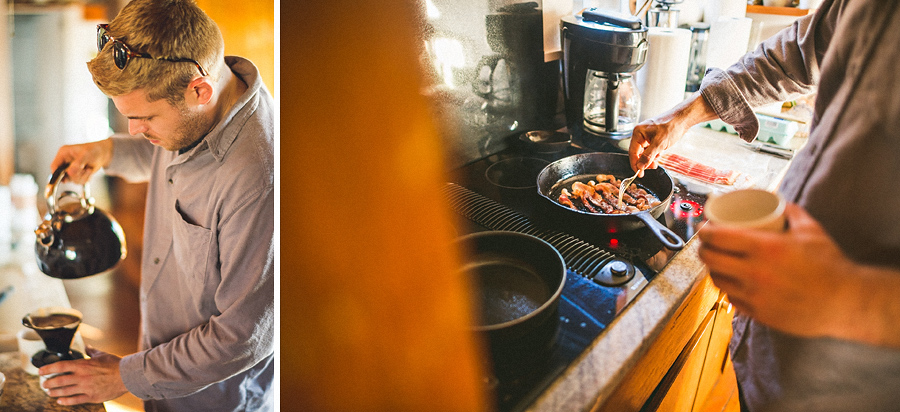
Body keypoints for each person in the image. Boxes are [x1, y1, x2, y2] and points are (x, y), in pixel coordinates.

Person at [628, 0, 900, 411]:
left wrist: (848, 295)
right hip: (773, 363)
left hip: (860, 389)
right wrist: (683, 115)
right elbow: (795, 55)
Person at [37, 0, 275, 410]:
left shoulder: (258, 176)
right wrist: (107, 151)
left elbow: (244, 335)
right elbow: (173, 154)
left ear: (199, 90)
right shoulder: (199, 111)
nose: (135, 129)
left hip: (215, 400)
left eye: (145, 118)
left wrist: (124, 376)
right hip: (163, 385)